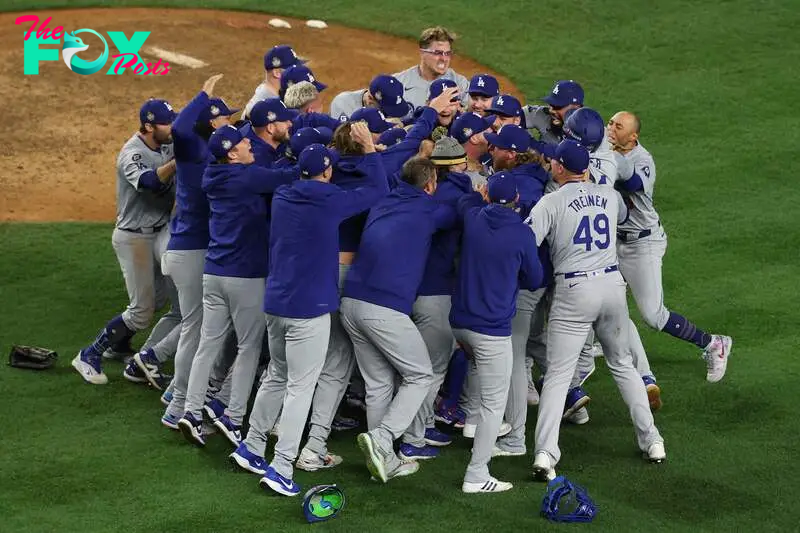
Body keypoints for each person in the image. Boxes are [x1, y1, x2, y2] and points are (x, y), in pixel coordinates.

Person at [228, 131, 388, 496]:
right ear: (327, 172)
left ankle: (252, 447)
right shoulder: (330, 199)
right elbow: (378, 189)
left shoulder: (283, 194)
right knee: (300, 387)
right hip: (308, 310)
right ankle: (282, 467)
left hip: (276, 305)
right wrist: (366, 150)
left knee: (276, 376)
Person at [526, 139, 666, 482]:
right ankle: (653, 441)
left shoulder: (550, 201)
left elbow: (526, 244)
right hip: (612, 287)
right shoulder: (609, 195)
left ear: (559, 168)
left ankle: (545, 453)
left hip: (574, 292)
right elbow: (623, 214)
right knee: (623, 365)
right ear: (586, 168)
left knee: (559, 375)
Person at [177, 123, 295, 448]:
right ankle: (233, 417)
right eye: (244, 143)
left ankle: (190, 411)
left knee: (208, 344)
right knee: (249, 348)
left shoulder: (213, 175)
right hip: (245, 276)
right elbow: (287, 176)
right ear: (232, 153)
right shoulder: (246, 177)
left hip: (213, 274)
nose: (250, 145)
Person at [343, 157, 459, 481]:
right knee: (420, 375)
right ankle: (382, 439)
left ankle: (386, 459)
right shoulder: (428, 210)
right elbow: (454, 214)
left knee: (378, 384)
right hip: (383, 308)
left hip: (351, 303)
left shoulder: (383, 200)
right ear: (431, 185)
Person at [608, 111, 732, 384]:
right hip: (614, 240)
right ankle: (598, 341)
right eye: (610, 123)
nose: (611, 129)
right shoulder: (606, 148)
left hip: (643, 244)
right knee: (602, 294)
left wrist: (607, 159)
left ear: (633, 136)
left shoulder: (643, 160)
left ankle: (713, 343)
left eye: (619, 127)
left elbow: (631, 183)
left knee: (653, 315)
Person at [72, 98, 179, 386]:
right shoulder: (131, 154)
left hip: (159, 231)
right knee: (142, 309)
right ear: (148, 126)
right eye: (167, 122)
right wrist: (177, 161)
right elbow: (151, 184)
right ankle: (89, 353)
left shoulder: (167, 141)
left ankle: (117, 345)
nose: (172, 127)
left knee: (157, 299)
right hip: (134, 237)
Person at [450, 171, 544, 493]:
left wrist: (477, 193)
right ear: (517, 200)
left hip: (459, 325)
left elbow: (465, 200)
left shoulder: (473, 218)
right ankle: (476, 474)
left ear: (488, 196)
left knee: (477, 371)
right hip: (491, 331)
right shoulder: (521, 234)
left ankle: (470, 424)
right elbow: (534, 278)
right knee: (495, 404)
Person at [160, 74, 236, 428]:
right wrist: (203, 95)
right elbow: (179, 128)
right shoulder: (194, 152)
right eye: (223, 118)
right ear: (210, 123)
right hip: (190, 252)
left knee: (201, 328)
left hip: (187, 248)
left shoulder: (207, 153)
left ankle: (176, 391)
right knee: (196, 329)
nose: (229, 122)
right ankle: (176, 406)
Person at [393, 26, 470, 110]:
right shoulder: (399, 82)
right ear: (422, 53)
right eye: (438, 53)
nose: (444, 59)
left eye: (447, 53)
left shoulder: (460, 84)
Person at [243, 45, 305, 120]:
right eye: (291, 69)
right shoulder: (268, 106)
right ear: (276, 73)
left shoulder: (270, 90)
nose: (296, 72)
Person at [330, 74, 413, 122]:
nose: (390, 114)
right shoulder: (344, 104)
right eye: (386, 109)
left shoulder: (390, 97)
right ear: (370, 100)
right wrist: (386, 124)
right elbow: (344, 140)